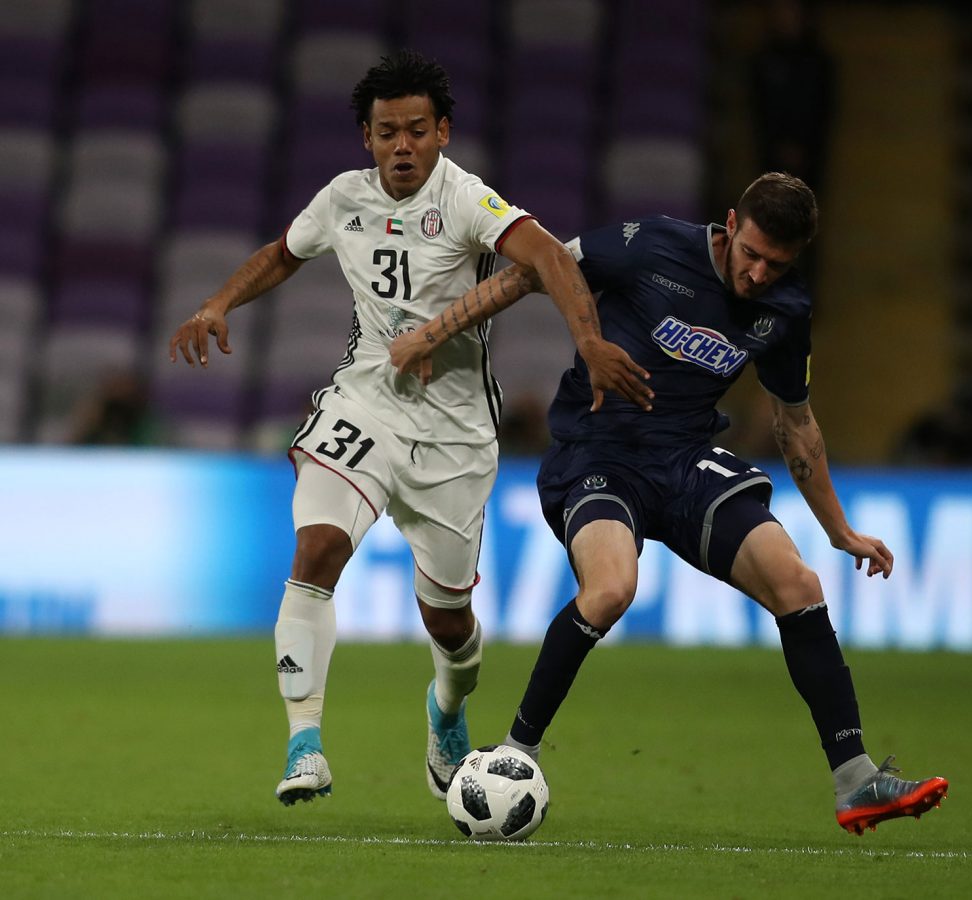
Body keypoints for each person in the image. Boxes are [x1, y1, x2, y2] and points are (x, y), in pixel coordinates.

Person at [389, 172, 949, 835]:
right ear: (732, 223)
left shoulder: (786, 309)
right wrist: (429, 335)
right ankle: (516, 752)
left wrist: (840, 529)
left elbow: (795, 424)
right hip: (597, 454)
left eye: (778, 263)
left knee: (797, 583)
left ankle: (856, 781)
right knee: (611, 589)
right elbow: (536, 270)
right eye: (753, 254)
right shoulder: (648, 245)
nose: (760, 273)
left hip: (684, 461)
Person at [168, 50, 652, 806]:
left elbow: (550, 256)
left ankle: (447, 710)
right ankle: (305, 744)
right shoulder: (342, 198)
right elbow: (281, 255)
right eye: (387, 131)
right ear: (366, 137)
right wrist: (219, 303)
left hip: (455, 434)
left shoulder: (466, 201)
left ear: (443, 133)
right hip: (366, 402)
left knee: (449, 623)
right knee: (317, 548)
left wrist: (587, 340)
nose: (402, 146)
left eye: (417, 131)